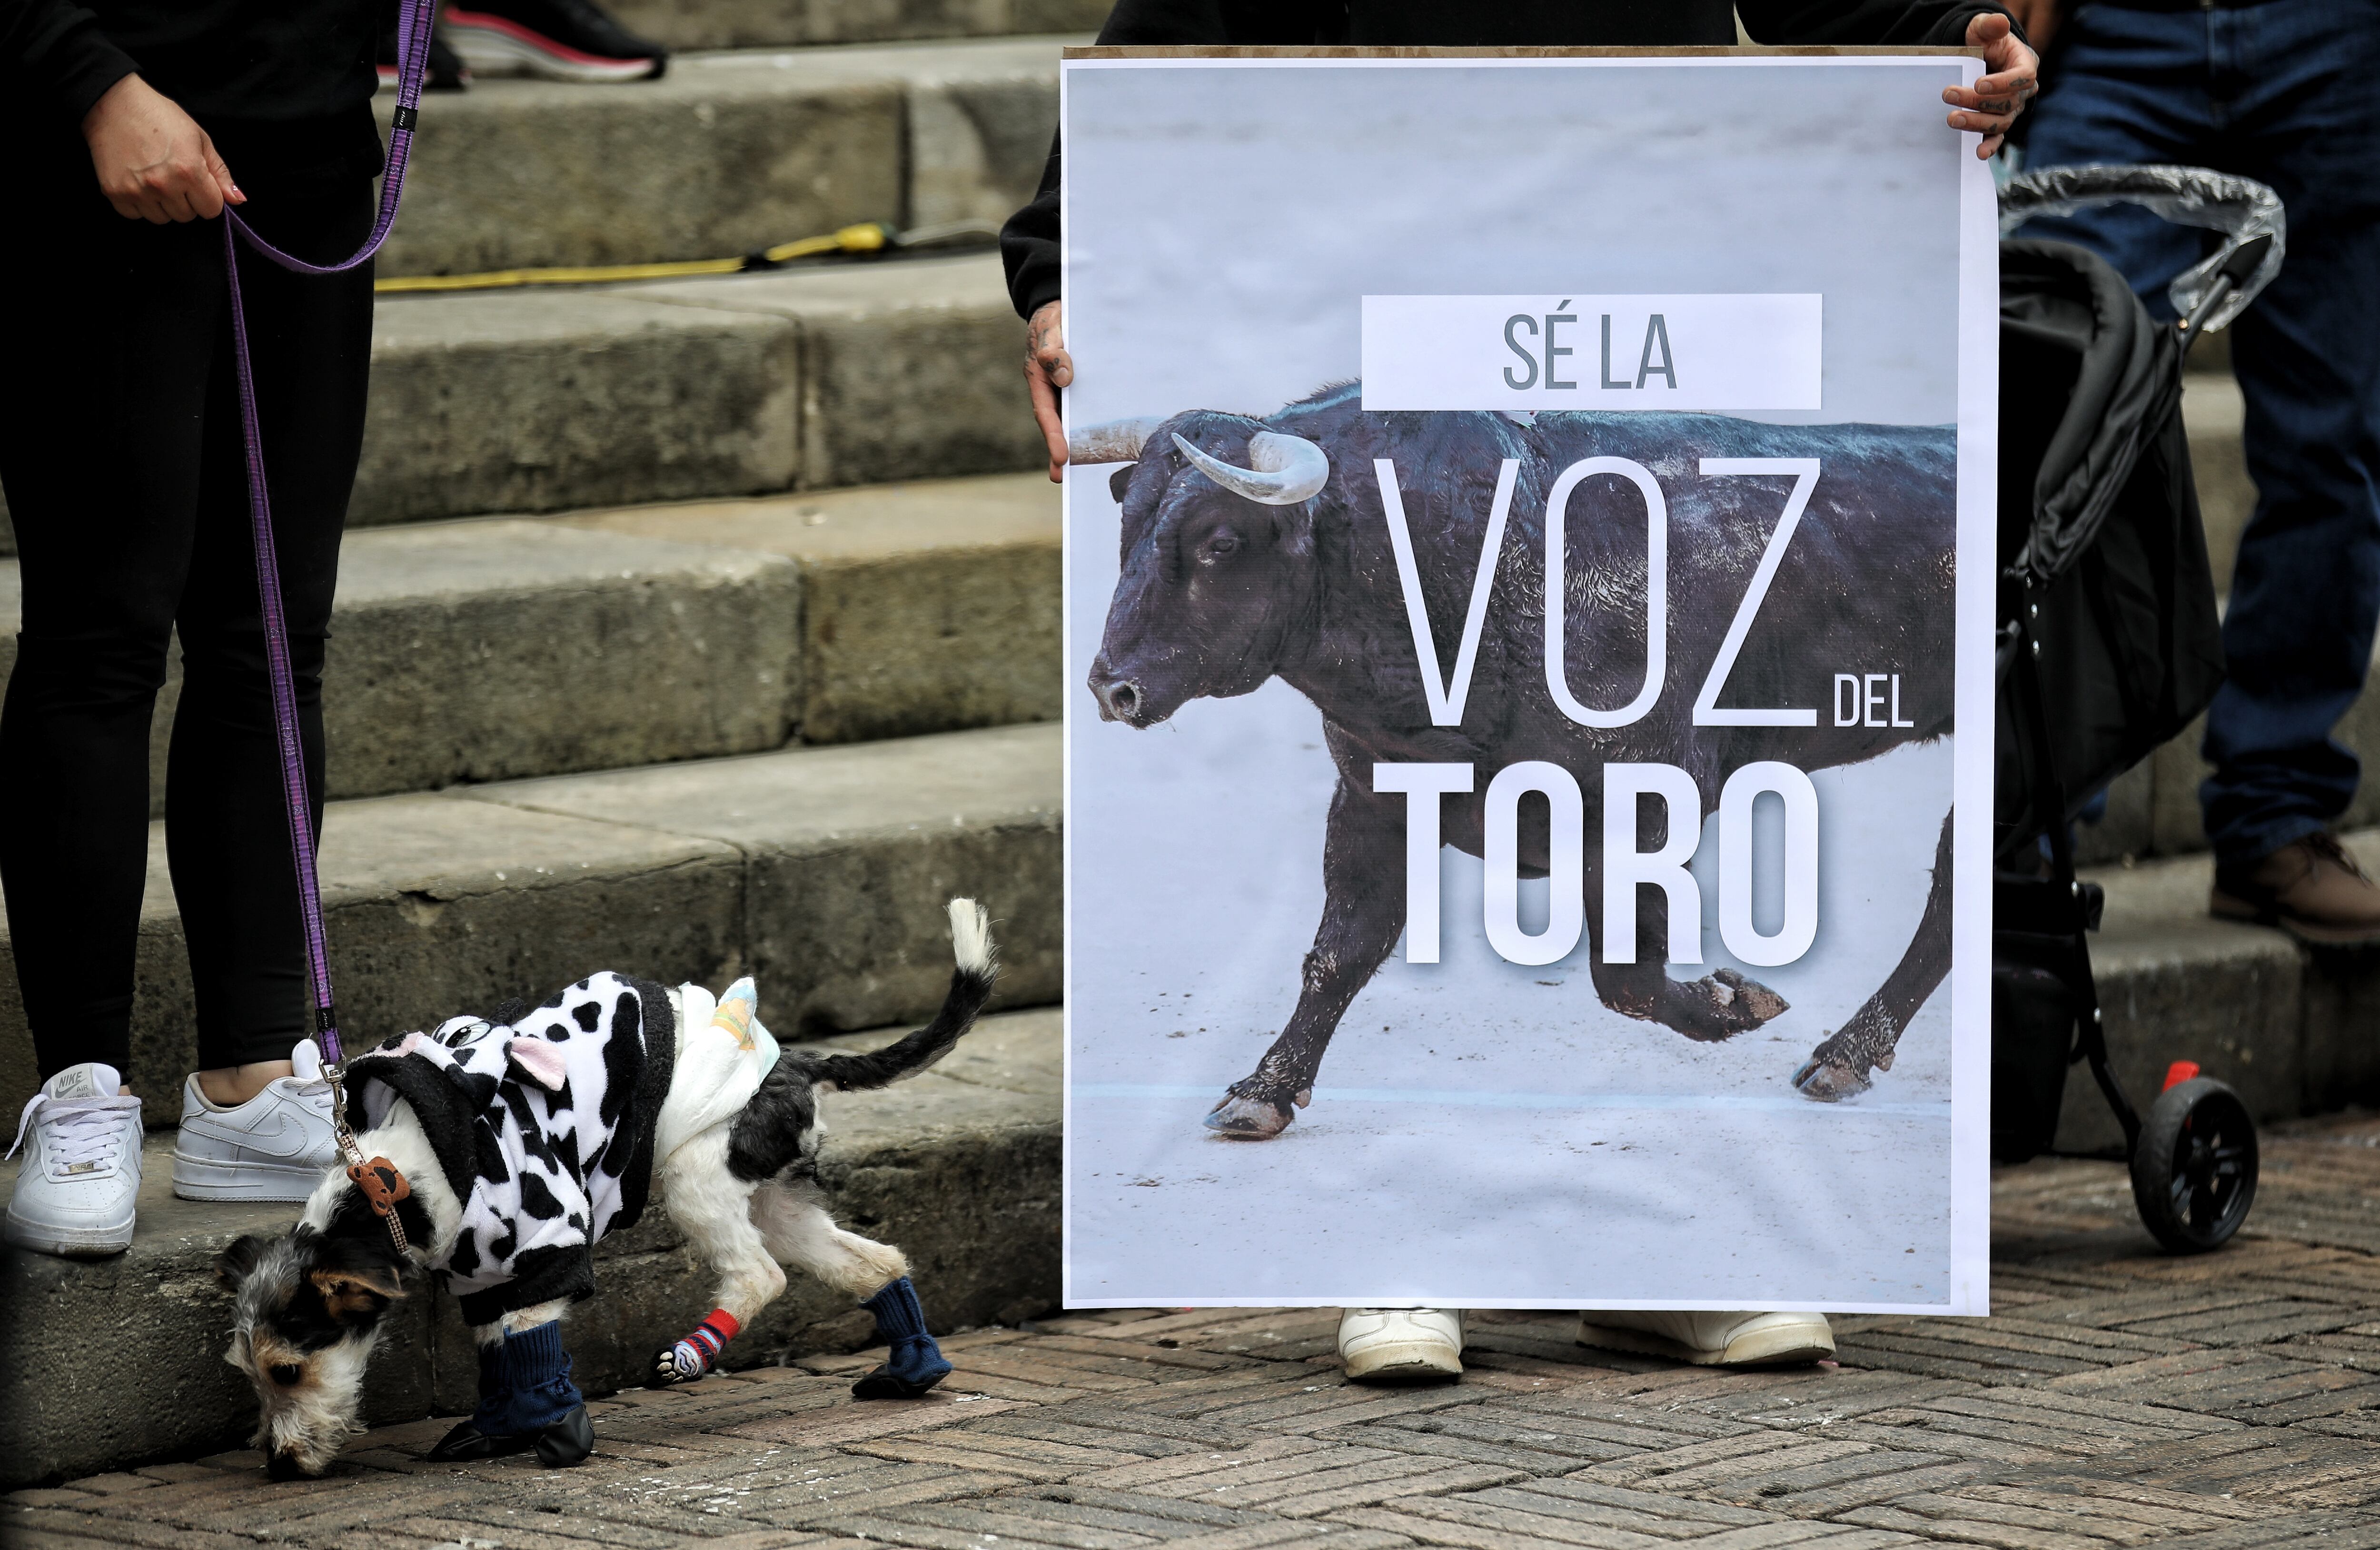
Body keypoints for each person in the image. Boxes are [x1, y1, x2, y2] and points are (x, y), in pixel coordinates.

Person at [1003, 0, 2038, 1379]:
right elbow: (1163, 37)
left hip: (1640, 231)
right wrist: (1059, 268)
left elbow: (1828, 1)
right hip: (1394, 225)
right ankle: (1409, 1251)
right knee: (1417, 749)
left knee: (1600, 726)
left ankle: (1669, 1256)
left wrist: (1951, 44)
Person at [1, 0, 383, 1255]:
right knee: (98, 637)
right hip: (96, 148)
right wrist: (87, 78)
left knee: (273, 637)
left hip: (309, 145)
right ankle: (80, 1089)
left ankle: (252, 1079)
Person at [2006, 0, 2380, 945]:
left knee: (2330, 444)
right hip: (2115, 34)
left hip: (2337, 36)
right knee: (2059, 419)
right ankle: (2029, 830)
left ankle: (2275, 813)